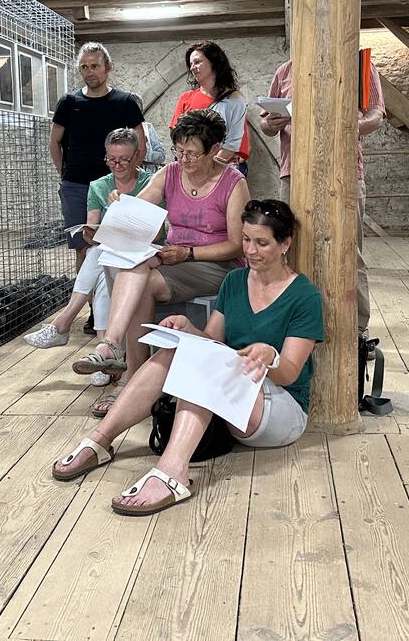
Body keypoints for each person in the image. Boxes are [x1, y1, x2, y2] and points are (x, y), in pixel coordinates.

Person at [50, 199, 323, 516]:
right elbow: (212, 341)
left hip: (280, 408)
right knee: (173, 351)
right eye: (246, 240)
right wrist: (188, 329)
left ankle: (173, 472)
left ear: (285, 243)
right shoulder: (235, 281)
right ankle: (100, 441)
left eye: (262, 243)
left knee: (208, 366)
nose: (250, 250)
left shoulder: (304, 296)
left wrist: (271, 356)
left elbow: (290, 373)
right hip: (233, 393)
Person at [72, 109, 248, 417]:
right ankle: (114, 349)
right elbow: (137, 206)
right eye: (178, 151)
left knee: (136, 274)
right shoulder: (170, 173)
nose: (184, 160)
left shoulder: (233, 182)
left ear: (215, 149)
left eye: (192, 154)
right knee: (134, 267)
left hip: (217, 264)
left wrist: (188, 253)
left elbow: (236, 245)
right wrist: (118, 207)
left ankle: (128, 374)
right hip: (174, 259)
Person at [260, 56, 385, 346]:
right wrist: (271, 122)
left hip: (343, 170)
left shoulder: (360, 64)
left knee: (348, 247)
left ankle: (357, 329)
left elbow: (377, 115)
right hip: (294, 171)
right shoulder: (286, 70)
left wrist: (347, 126)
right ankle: (295, 318)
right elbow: (266, 123)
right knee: (291, 245)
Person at [24, 128, 153, 370]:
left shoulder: (150, 183)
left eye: (123, 159)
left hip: (144, 250)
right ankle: (104, 351)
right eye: (111, 159)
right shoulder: (99, 186)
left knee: (98, 256)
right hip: (111, 250)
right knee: (99, 260)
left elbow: (155, 227)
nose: (116, 165)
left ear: (137, 155)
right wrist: (90, 232)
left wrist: (125, 208)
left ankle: (65, 322)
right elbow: (91, 229)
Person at [50, 42, 145, 270]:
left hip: (113, 185)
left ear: (108, 67)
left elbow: (140, 145)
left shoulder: (125, 102)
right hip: (76, 186)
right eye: (84, 67)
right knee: (83, 247)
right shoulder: (69, 102)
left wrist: (127, 179)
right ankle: (87, 293)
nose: (89, 71)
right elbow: (54, 142)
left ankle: (117, 291)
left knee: (116, 244)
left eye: (94, 66)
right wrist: (64, 174)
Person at [171, 42, 250, 175]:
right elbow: (177, 138)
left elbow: (232, 143)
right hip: (189, 169)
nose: (192, 68)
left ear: (214, 62)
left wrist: (207, 168)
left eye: (197, 62)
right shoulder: (185, 98)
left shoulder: (235, 100)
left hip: (220, 170)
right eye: (190, 64)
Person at [129, 92, 167, 174]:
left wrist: (144, 153)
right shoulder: (118, 131)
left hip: (148, 174)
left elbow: (161, 155)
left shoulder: (147, 127)